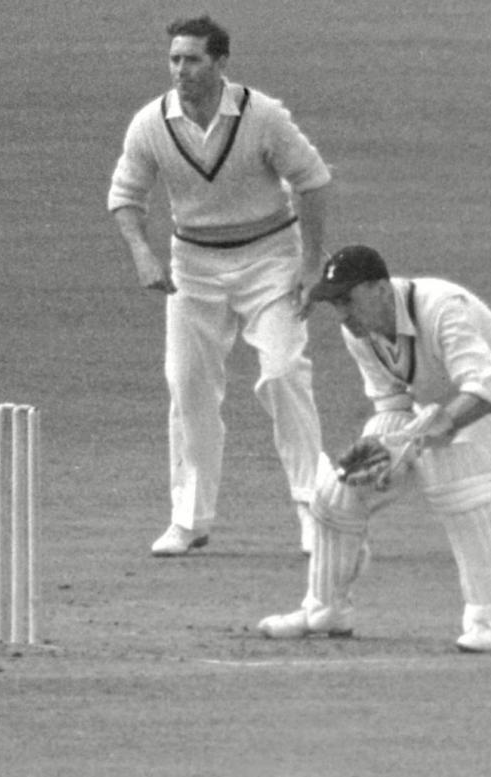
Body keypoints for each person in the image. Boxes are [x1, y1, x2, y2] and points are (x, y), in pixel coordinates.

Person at [107, 15, 332, 556]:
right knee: (187, 387)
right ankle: (189, 519)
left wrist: (310, 265)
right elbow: (125, 195)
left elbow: (313, 180)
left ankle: (314, 510)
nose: (181, 70)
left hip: (271, 259)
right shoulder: (150, 123)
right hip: (194, 268)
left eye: (193, 59)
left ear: (221, 63)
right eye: (175, 59)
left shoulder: (263, 115)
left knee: (282, 374)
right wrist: (143, 253)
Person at [258, 245, 491, 652]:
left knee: (455, 472)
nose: (342, 314)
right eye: (335, 303)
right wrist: (379, 446)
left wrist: (430, 434)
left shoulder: (443, 308)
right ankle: (325, 610)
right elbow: (392, 403)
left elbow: (484, 389)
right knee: (340, 488)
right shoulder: (358, 331)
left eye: (347, 300)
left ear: (379, 289)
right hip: (433, 403)